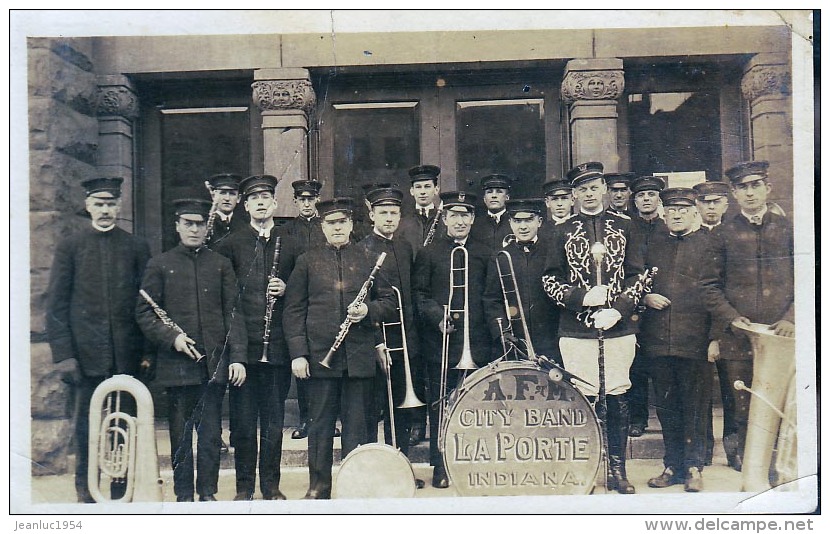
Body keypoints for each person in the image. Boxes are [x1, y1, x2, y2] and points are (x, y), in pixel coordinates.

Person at [542, 162, 651, 495]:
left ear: (604, 189)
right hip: (576, 330)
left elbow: (640, 276)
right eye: (582, 189)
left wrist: (619, 310)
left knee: (617, 395)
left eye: (594, 187)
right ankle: (585, 468)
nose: (589, 194)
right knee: (582, 397)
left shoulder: (626, 226)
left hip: (617, 328)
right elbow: (549, 279)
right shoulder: (559, 230)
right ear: (574, 195)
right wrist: (581, 297)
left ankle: (617, 469)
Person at [46, 177, 151, 503]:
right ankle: (85, 493)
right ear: (88, 205)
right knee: (86, 426)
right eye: (99, 204)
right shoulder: (71, 246)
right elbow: (56, 305)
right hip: (84, 355)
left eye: (110, 204)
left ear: (119, 206)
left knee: (125, 424)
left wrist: (147, 352)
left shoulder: (136, 246)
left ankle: (121, 490)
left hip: (126, 355)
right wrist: (64, 355)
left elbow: (147, 304)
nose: (105, 210)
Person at [283, 197, 396, 500]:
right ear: (322, 226)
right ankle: (319, 486)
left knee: (357, 428)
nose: (337, 228)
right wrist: (298, 353)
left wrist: (368, 311)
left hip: (358, 357)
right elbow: (293, 310)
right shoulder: (307, 261)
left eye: (342, 222)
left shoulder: (367, 256)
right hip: (321, 358)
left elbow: (389, 302)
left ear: (350, 225)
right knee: (319, 427)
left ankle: (354, 486)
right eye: (331, 223)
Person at [136, 198, 247, 502]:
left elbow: (233, 314)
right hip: (177, 366)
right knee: (181, 439)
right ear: (177, 226)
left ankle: (207, 494)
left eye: (199, 224)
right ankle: (183, 496)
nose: (194, 229)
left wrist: (237, 358)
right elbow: (144, 313)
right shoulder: (160, 264)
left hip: (213, 366)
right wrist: (172, 338)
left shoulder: (220, 264)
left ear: (206, 228)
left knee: (211, 437)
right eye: (188, 223)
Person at [702, 160, 795, 473]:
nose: (750, 192)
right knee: (741, 402)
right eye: (743, 187)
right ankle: (746, 464)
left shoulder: (787, 229)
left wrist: (792, 318)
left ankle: (775, 464)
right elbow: (709, 284)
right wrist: (731, 318)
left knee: (777, 401)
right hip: (738, 335)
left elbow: (811, 277)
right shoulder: (723, 234)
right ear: (734, 193)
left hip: (781, 335)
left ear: (768, 188)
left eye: (756, 185)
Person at [215, 175, 299, 501]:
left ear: (275, 203)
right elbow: (226, 302)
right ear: (245, 205)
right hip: (244, 351)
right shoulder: (231, 244)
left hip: (277, 348)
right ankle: (243, 489)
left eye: (267, 197)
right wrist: (235, 354)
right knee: (245, 424)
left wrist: (287, 287)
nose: (261, 202)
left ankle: (272, 487)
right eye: (254, 198)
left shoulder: (291, 242)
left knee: (274, 424)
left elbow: (304, 292)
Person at [412, 191, 494, 489]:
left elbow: (491, 296)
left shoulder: (485, 251)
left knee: (478, 408)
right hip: (442, 345)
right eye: (454, 215)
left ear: (473, 219)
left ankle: (474, 463)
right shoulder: (429, 252)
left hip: (478, 344)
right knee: (440, 407)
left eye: (465, 215)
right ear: (444, 218)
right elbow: (419, 295)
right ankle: (441, 464)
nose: (460, 221)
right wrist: (437, 316)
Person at [640, 188, 718, 493]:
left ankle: (694, 467)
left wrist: (715, 339)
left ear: (694, 213)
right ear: (663, 213)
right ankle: (671, 466)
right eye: (671, 209)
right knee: (667, 408)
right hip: (659, 342)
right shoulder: (653, 245)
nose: (676, 214)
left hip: (694, 342)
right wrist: (645, 297)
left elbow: (717, 295)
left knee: (695, 407)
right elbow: (638, 281)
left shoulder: (707, 245)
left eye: (683, 210)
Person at [358, 186, 425, 488]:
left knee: (402, 411)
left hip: (405, 341)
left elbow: (409, 297)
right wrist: (376, 343)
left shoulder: (407, 246)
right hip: (379, 342)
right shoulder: (361, 249)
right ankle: (374, 473)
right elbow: (362, 300)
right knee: (373, 410)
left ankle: (401, 470)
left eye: (394, 212)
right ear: (371, 214)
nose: (389, 217)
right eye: (383, 212)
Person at [483, 198, 561, 365]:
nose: (523, 226)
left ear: (539, 222)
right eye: (517, 221)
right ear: (510, 222)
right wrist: (502, 332)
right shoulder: (500, 256)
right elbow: (492, 299)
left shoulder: (553, 252)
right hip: (514, 341)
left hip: (550, 339)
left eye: (528, 220)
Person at [396, 164, 442, 445]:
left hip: (437, 300)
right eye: (418, 187)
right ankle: (417, 423)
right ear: (412, 191)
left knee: (436, 365)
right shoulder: (403, 224)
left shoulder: (446, 218)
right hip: (412, 303)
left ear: (436, 189)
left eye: (428, 186)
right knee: (415, 364)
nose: (423, 191)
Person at [693, 180, 734, 466]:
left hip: (727, 327)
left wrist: (719, 333)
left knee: (732, 391)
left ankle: (734, 449)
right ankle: (702, 450)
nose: (710, 207)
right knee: (700, 392)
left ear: (726, 204)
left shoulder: (733, 236)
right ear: (697, 205)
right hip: (695, 327)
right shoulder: (691, 237)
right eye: (705, 202)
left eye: (716, 201)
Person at [280, 179, 326, 440]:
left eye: (311, 198)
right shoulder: (287, 231)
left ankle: (328, 420)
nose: (307, 203)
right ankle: (306, 419)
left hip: (324, 300)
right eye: (302, 199)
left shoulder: (325, 226)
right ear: (295, 201)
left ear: (317, 199)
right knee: (303, 361)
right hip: (299, 300)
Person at [627, 174, 667, 438]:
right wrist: (641, 297)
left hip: (664, 308)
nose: (646, 199)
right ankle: (637, 419)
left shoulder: (668, 228)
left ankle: (666, 421)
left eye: (651, 194)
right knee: (636, 366)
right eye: (641, 195)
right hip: (634, 308)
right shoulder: (628, 228)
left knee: (663, 369)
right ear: (635, 200)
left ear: (658, 198)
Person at [469, 174, 513, 251]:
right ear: (484, 199)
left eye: (499, 192)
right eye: (489, 192)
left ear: (507, 198)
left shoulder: (515, 222)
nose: (494, 196)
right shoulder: (475, 224)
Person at [204, 173, 247, 249]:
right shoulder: (204, 223)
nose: (227, 198)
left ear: (239, 198)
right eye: (223, 193)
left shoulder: (244, 226)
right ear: (214, 196)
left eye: (232, 194)